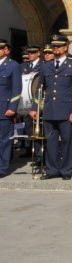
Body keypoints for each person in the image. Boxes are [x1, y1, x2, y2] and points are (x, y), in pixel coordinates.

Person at [29, 34, 72, 180]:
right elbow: (39, 89)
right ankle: (52, 169)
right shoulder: (46, 66)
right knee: (51, 141)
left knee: (67, 141)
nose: (56, 48)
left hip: (66, 111)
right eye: (54, 46)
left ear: (65, 48)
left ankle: (66, 170)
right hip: (49, 110)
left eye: (59, 46)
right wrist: (35, 107)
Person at [0, 39, 21, 178]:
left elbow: (16, 89)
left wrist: (12, 107)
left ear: (7, 50)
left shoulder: (13, 66)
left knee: (4, 140)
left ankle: (2, 168)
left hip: (4, 108)